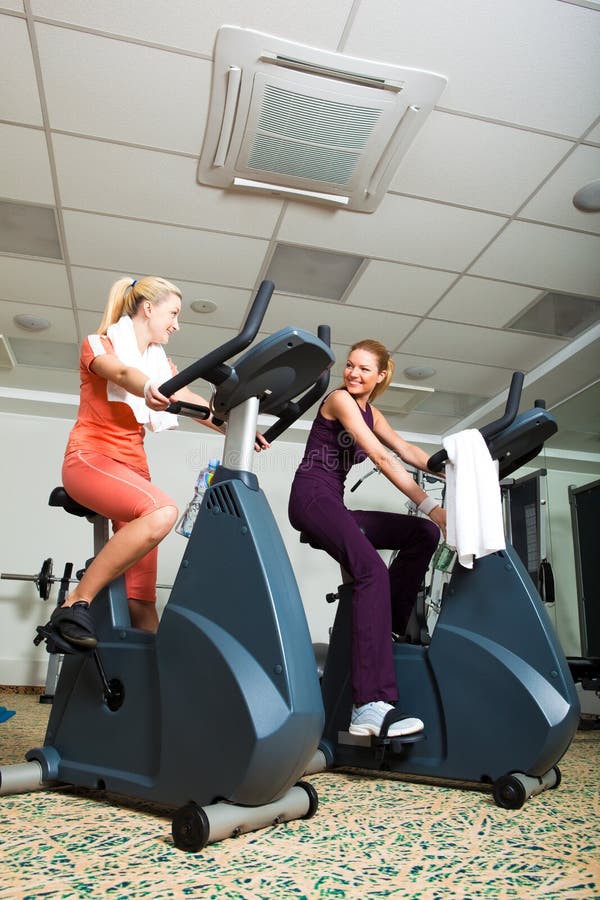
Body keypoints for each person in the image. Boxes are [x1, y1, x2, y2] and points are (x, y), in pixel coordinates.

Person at [45, 275, 269, 650]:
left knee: (142, 604)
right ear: (148, 308)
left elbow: (198, 404)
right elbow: (120, 373)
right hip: (91, 459)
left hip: (132, 469)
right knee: (162, 511)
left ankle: (154, 690)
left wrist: (239, 427)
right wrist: (148, 387)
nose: (176, 324)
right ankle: (73, 606)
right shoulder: (99, 344)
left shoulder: (160, 364)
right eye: (173, 314)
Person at [288, 339, 446, 740]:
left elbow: (408, 450)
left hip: (335, 504)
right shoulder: (340, 399)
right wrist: (432, 505)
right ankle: (369, 707)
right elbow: (379, 455)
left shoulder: (372, 412)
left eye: (363, 369)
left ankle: (385, 626)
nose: (353, 374)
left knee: (421, 534)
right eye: (350, 365)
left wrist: (457, 468)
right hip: (311, 497)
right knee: (373, 571)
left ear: (380, 376)